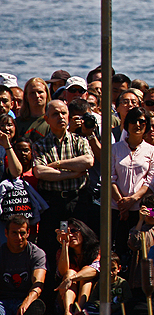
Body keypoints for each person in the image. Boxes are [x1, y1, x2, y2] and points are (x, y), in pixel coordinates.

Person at [32, 100, 94, 265]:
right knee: (50, 247)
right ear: (47, 119)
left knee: (80, 246)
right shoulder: (40, 145)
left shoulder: (79, 141)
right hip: (53, 203)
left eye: (63, 113)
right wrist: (72, 174)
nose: (61, 117)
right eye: (55, 114)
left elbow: (88, 161)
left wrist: (58, 165)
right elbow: (40, 171)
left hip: (77, 201)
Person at [110, 107, 154, 263]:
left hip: (141, 211)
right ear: (127, 124)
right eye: (134, 121)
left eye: (142, 121)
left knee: (139, 253)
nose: (138, 124)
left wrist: (133, 200)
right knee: (117, 250)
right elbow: (110, 178)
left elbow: (153, 180)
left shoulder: (153, 151)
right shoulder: (115, 149)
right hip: (116, 209)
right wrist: (122, 204)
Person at [0, 215, 47, 315]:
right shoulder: (1, 253)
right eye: (14, 233)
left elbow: (39, 283)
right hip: (2, 302)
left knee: (31, 310)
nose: (19, 237)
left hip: (24, 301)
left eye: (22, 233)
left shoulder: (36, 254)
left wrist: (27, 302)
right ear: (6, 233)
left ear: (28, 233)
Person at [54, 218, 100, 315]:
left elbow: (94, 270)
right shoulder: (61, 252)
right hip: (64, 297)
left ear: (83, 231)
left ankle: (78, 314)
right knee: (69, 272)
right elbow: (63, 272)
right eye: (68, 232)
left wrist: (72, 278)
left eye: (74, 231)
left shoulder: (96, 249)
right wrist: (64, 244)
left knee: (85, 277)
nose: (71, 235)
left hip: (90, 298)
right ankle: (68, 314)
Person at [16, 78, 50, 142]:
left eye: (40, 92)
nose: (37, 96)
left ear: (47, 94)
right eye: (32, 93)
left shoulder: (53, 121)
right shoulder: (17, 123)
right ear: (26, 97)